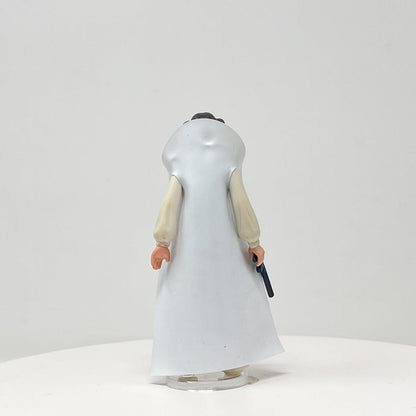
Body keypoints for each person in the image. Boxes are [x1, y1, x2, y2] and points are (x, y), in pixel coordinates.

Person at [150, 113, 283, 380]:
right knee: (229, 300)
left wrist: (162, 240)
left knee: (187, 302)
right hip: (226, 249)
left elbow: (170, 203)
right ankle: (232, 360)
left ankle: (186, 364)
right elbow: (241, 204)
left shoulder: (181, 164)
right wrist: (253, 240)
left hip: (188, 251)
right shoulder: (228, 162)